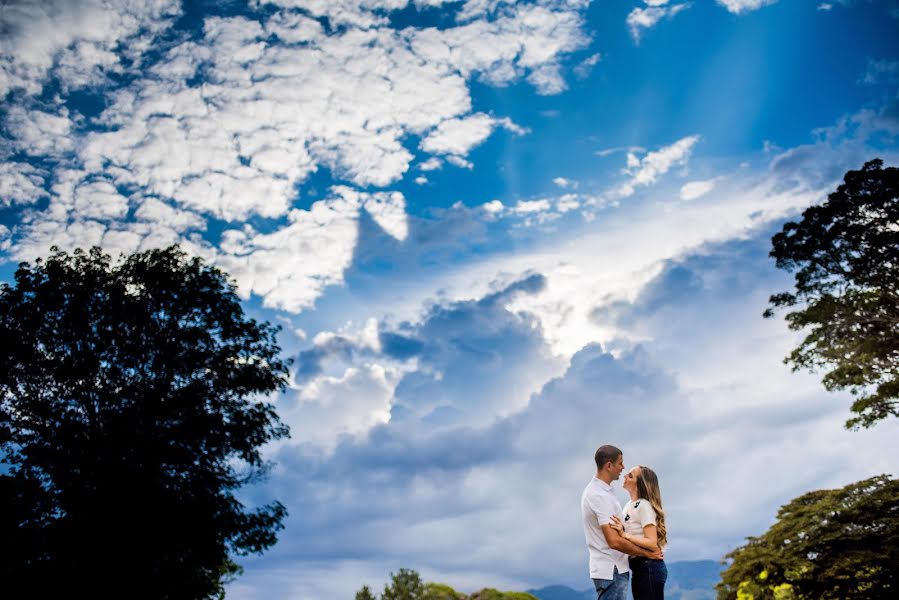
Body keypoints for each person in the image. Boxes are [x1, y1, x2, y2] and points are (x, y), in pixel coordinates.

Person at [581, 445, 664, 600]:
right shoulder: (599, 496)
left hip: (623, 567)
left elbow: (638, 538)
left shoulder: (609, 495)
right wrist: (646, 553)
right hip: (611, 567)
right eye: (620, 463)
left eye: (630, 475)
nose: (623, 468)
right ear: (609, 466)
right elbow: (614, 541)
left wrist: (626, 536)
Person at [609, 466, 668, 600]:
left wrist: (625, 535)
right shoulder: (629, 505)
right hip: (639, 568)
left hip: (649, 567)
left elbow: (652, 543)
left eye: (630, 476)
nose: (625, 476)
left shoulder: (643, 505)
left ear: (640, 484)